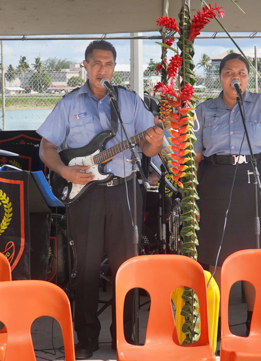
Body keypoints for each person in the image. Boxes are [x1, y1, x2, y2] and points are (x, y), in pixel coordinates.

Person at [38, 40, 163, 360]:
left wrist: (156, 140)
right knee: (87, 268)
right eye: (96, 63)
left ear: (114, 67)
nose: (102, 70)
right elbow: (46, 148)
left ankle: (126, 334)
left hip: (124, 191)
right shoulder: (68, 103)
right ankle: (86, 337)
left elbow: (148, 150)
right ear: (85, 65)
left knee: (127, 268)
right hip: (86, 195)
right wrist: (65, 171)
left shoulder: (130, 102)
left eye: (108, 64)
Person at [193, 52, 261, 332]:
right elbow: (195, 159)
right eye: (228, 73)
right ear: (220, 77)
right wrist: (191, 199)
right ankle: (217, 323)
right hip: (215, 181)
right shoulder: (204, 110)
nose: (234, 78)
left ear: (248, 78)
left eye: (241, 73)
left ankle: (257, 322)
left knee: (256, 256)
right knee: (214, 254)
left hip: (256, 180)